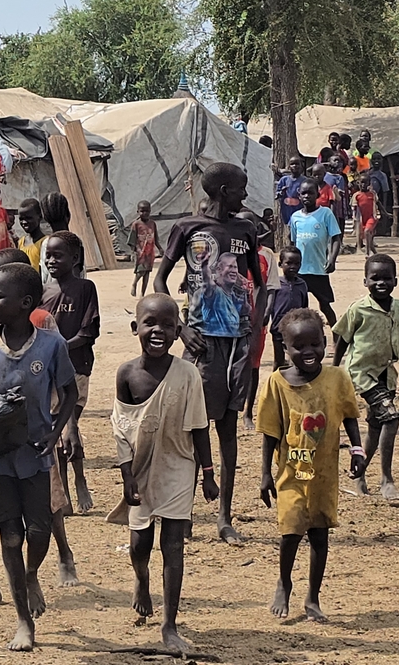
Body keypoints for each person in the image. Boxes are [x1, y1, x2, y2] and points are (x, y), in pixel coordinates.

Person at [0, 262, 79, 652]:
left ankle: (31, 574)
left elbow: (69, 394)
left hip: (36, 455)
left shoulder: (51, 345)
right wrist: (6, 403)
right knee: (9, 535)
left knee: (39, 532)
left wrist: (56, 433)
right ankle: (23, 619)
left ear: (26, 303)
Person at [154, 162, 266, 544]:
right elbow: (159, 279)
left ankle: (224, 517)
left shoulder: (246, 230)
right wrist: (180, 328)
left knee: (228, 429)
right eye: (240, 190)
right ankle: (183, 512)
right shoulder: (187, 228)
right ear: (221, 190)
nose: (245, 197)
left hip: (237, 342)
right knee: (190, 429)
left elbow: (260, 285)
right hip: (200, 341)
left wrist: (255, 326)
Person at [110, 293, 217, 654]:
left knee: (172, 544)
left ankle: (169, 624)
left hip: (179, 464)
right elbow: (122, 428)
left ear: (177, 332)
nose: (158, 331)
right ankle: (141, 580)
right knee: (140, 544)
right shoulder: (127, 374)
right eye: (150, 324)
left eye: (167, 325)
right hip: (141, 469)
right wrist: (127, 477)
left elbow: (200, 425)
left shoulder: (187, 374)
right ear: (135, 328)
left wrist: (208, 473)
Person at [257, 308, 365, 623]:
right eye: (299, 347)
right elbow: (270, 431)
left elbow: (349, 418)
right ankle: (284, 581)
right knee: (290, 531)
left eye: (316, 344)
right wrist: (265, 473)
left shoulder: (337, 378)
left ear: (325, 342)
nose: (309, 352)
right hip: (291, 472)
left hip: (324, 473)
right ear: (285, 347)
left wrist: (357, 451)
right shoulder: (277, 383)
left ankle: (313, 597)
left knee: (319, 534)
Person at [333, 254, 399, 501]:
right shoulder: (358, 308)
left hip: (387, 374)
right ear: (365, 281)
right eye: (375, 278)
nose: (381, 283)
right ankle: (387, 479)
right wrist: (333, 370)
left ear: (395, 280)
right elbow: (342, 338)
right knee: (391, 418)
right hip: (361, 373)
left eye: (386, 278)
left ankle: (360, 472)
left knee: (375, 426)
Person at [42, 232, 99, 517]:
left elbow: (89, 332)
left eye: (58, 255)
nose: (51, 261)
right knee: (59, 430)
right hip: (50, 372)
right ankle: (63, 490)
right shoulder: (44, 293)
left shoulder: (85, 288)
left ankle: (79, 478)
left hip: (76, 367)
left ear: (75, 259)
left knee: (70, 426)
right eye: (48, 256)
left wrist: (60, 347)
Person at [238, 210, 279, 431]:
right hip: (232, 318)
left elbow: (271, 287)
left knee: (253, 364)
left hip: (256, 318)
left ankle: (248, 411)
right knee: (234, 362)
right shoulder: (231, 253)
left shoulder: (267, 255)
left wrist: (266, 312)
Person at [290, 178, 342, 326]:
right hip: (300, 270)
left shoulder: (325, 214)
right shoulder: (295, 218)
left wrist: (331, 259)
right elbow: (293, 243)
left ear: (317, 194)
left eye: (311, 193)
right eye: (304, 193)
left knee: (325, 305)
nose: (307, 196)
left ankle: (336, 334)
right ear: (299, 195)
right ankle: (300, 336)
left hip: (319, 269)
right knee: (299, 308)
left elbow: (336, 238)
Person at [269, 247, 309, 371]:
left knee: (297, 361)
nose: (293, 267)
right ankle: (276, 386)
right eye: (289, 263)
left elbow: (304, 307)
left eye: (297, 264)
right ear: (280, 264)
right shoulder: (275, 284)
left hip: (297, 330)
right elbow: (269, 306)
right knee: (279, 362)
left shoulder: (302, 284)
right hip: (278, 329)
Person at [127, 200, 162, 297]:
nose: (145, 213)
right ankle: (134, 283)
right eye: (142, 211)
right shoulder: (136, 224)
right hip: (140, 252)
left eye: (147, 211)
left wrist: (160, 248)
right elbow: (132, 239)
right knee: (140, 271)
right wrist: (134, 251)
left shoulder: (152, 224)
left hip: (150, 252)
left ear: (150, 211)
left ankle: (142, 294)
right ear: (137, 212)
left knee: (147, 273)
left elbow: (155, 238)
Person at [16, 198, 46, 275]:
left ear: (40, 217)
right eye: (21, 219)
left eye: (29, 218)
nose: (24, 222)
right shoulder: (21, 242)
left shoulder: (45, 242)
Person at [277, 157, 307, 227]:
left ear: (301, 166)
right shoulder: (284, 180)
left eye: (297, 164)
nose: (294, 166)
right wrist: (282, 192)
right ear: (289, 166)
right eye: (292, 164)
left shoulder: (305, 181)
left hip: (299, 211)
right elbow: (277, 194)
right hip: (287, 210)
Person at [351, 180, 378, 256]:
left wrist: (384, 213)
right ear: (358, 183)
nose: (363, 185)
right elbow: (354, 208)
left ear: (369, 184)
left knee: (367, 231)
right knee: (366, 236)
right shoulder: (356, 195)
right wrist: (354, 219)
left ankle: (367, 252)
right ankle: (375, 253)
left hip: (371, 217)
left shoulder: (372, 194)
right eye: (361, 182)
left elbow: (377, 203)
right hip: (361, 218)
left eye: (365, 183)